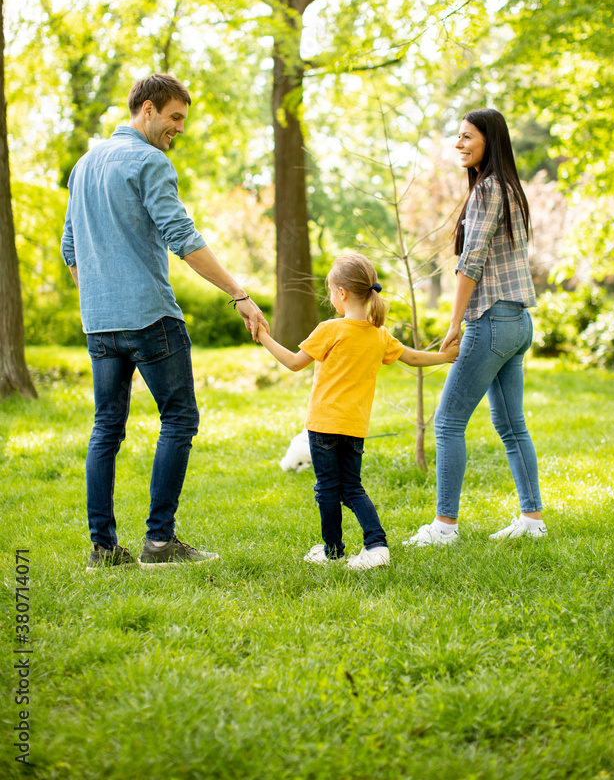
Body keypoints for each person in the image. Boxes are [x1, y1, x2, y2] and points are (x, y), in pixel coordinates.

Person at [61, 73, 268, 571]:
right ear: (148, 110)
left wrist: (99, 299)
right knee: (179, 418)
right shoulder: (150, 161)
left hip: (100, 324)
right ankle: (160, 543)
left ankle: (103, 550)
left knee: (105, 428)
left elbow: (71, 248)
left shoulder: (84, 165)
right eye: (174, 117)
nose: (179, 128)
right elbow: (183, 236)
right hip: (151, 318)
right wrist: (238, 292)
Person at [257, 252, 459, 570]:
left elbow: (294, 363)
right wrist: (446, 356)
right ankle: (376, 545)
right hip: (354, 426)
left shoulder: (330, 329)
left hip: (323, 424)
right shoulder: (379, 335)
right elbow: (414, 358)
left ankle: (333, 550)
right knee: (351, 486)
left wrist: (263, 337)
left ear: (342, 293)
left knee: (326, 488)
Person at [404, 108, 546, 547]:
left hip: (490, 321)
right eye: (457, 137)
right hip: (519, 321)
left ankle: (444, 527)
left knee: (447, 422)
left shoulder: (487, 189)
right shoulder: (511, 189)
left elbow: (473, 261)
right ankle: (532, 519)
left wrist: (455, 323)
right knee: (511, 424)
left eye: (467, 137)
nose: (459, 144)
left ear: (490, 140)